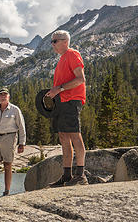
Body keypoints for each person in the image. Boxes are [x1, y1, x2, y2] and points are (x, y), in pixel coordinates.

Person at [45, 30, 88, 187]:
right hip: (62, 102)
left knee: (75, 135)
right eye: (52, 41)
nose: (52, 45)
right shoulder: (62, 59)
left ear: (65, 41)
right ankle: (66, 176)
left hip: (72, 100)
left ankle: (81, 175)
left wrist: (60, 89)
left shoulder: (72, 54)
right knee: (63, 136)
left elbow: (80, 79)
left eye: (54, 41)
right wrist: (54, 93)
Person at [0, 87, 26, 199]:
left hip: (10, 137)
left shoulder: (15, 109)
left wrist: (22, 143)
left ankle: (6, 192)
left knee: (7, 165)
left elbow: (21, 126)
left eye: (5, 95)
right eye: (1, 94)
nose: (3, 96)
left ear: (8, 97)